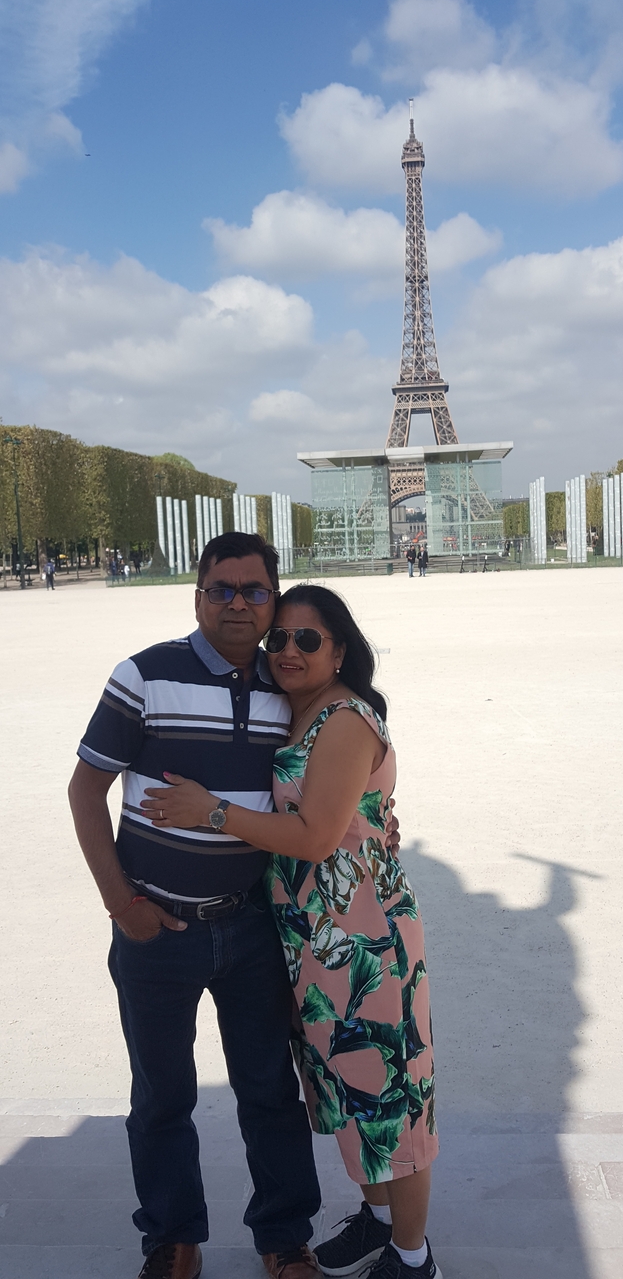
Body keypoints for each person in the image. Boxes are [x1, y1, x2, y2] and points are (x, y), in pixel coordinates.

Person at [69, 533, 402, 1279]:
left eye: (256, 591)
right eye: (222, 589)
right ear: (198, 595)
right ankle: (173, 1236)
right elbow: (84, 789)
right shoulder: (146, 674)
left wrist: (379, 816)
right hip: (155, 925)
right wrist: (121, 904)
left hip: (252, 923)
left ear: (273, 596)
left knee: (269, 1092)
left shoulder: (287, 684)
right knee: (161, 1096)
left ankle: (283, 1239)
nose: (240, 605)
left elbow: (336, 772)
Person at [141, 584, 441, 1279]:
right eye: (281, 639)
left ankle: (413, 1254)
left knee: (389, 1102)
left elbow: (313, 836)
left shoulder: (343, 719)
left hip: (364, 943)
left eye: (308, 639)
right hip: (316, 945)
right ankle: (377, 1219)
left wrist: (209, 813)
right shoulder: (296, 715)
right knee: (343, 1093)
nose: (288, 651)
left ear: (340, 650)